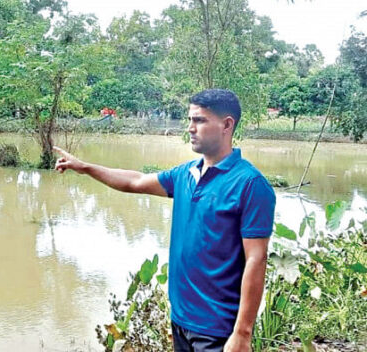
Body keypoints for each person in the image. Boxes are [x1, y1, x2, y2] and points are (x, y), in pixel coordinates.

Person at [54, 89, 275, 352]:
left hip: (218, 329)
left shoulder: (250, 184)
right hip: (181, 319)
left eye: (200, 120)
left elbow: (256, 259)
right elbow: (134, 181)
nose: (190, 128)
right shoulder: (185, 174)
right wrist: (86, 168)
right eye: (190, 120)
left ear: (227, 124)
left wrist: (242, 333)